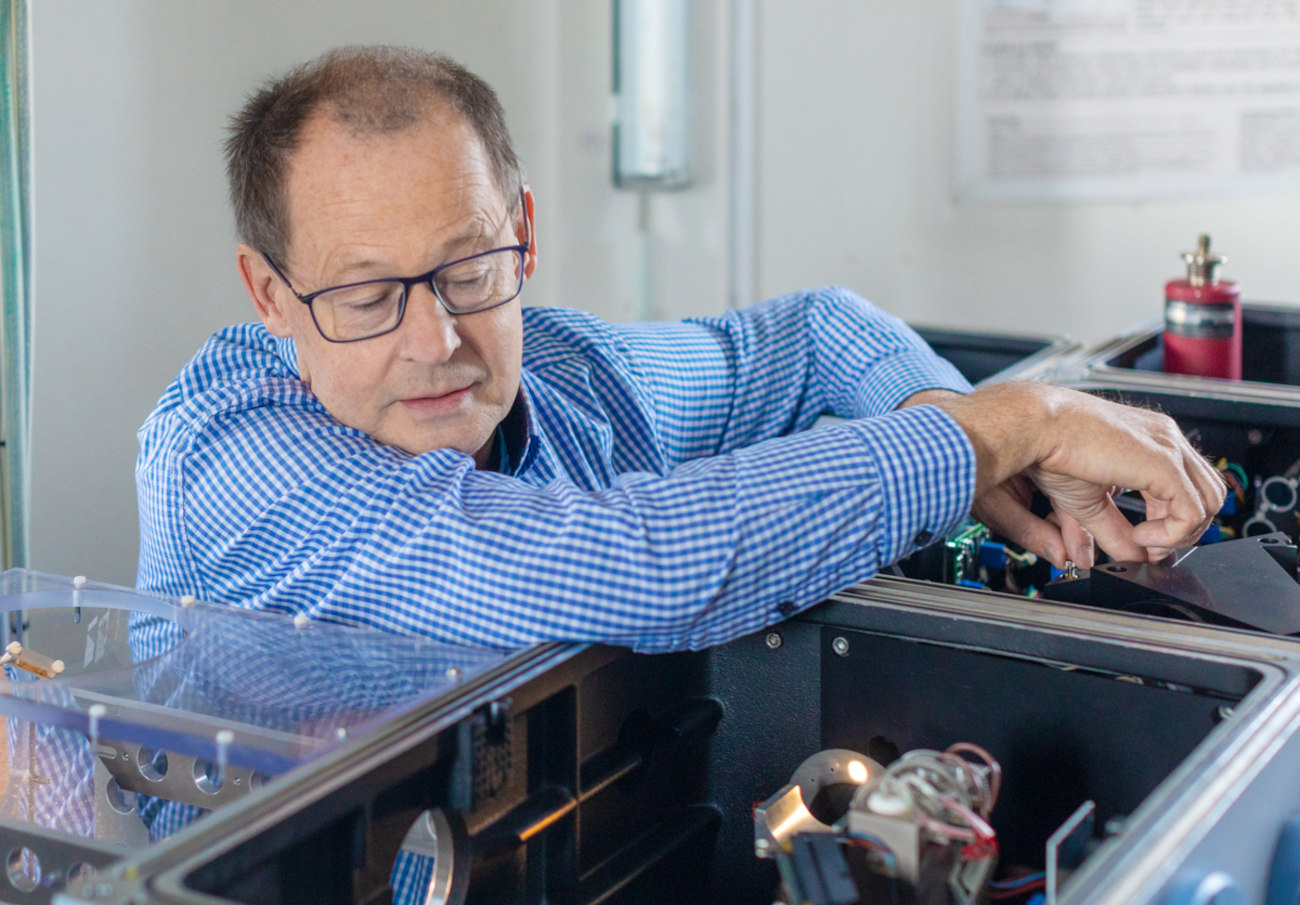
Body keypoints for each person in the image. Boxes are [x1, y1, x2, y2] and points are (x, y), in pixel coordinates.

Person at [136, 44, 1223, 660]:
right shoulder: (231, 459)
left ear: (523, 232)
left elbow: (817, 331)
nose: (440, 342)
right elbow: (633, 566)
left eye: (470, 269)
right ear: (270, 296)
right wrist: (1007, 425)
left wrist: (989, 464)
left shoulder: (568, 376)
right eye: (369, 296)